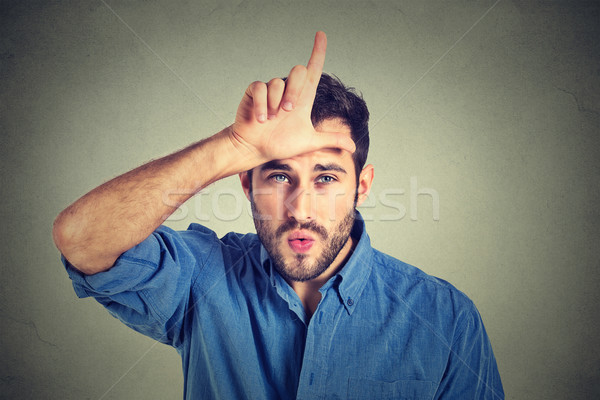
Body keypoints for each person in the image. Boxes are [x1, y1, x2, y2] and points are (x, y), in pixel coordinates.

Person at [53, 32, 504, 399]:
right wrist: (235, 147)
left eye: (326, 178)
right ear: (247, 184)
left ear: (361, 187)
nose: (300, 209)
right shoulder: (202, 276)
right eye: (279, 177)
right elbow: (80, 237)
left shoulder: (446, 319)